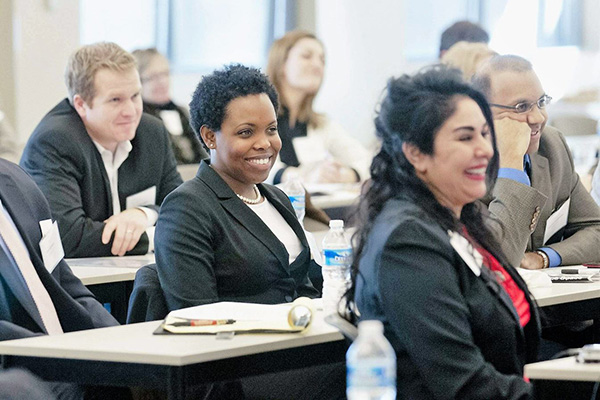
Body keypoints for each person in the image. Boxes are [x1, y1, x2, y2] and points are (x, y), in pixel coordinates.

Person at [346, 66, 540, 399]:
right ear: (416, 153)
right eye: (466, 137)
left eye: (484, 133)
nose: (486, 150)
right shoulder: (408, 242)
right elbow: (463, 385)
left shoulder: (459, 221)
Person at [155, 64, 342, 400]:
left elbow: (308, 282)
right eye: (246, 133)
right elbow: (196, 317)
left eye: (271, 129)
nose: (265, 144)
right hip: (239, 370)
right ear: (210, 136)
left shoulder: (278, 198)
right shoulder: (188, 207)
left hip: (299, 350)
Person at [20, 42, 182, 258]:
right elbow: (68, 238)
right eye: (115, 100)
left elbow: (183, 207)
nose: (131, 111)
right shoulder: (54, 141)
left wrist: (143, 214)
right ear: (81, 104)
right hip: (76, 284)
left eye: (135, 96)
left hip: (136, 277)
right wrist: (154, 237)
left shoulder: (152, 133)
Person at [0, 158, 129, 399]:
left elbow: (64, 283)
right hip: (19, 369)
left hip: (67, 357)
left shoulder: (15, 179)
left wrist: (123, 342)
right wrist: (59, 354)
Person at [472, 55, 600, 269]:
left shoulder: (552, 145)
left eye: (541, 102)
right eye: (521, 107)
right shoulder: (464, 168)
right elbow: (499, 260)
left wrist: (544, 257)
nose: (539, 117)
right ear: (481, 112)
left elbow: (595, 229)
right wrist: (511, 163)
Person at [265, 30, 371, 184]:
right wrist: (301, 177)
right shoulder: (257, 118)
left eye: (322, 60)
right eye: (306, 56)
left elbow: (366, 160)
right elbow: (251, 165)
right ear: (281, 64)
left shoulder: (319, 123)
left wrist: (346, 175)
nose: (317, 65)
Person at [132, 48, 208, 164]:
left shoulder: (182, 112)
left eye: (165, 74)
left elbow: (202, 155)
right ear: (136, 82)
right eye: (153, 77)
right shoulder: (138, 119)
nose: (163, 82)